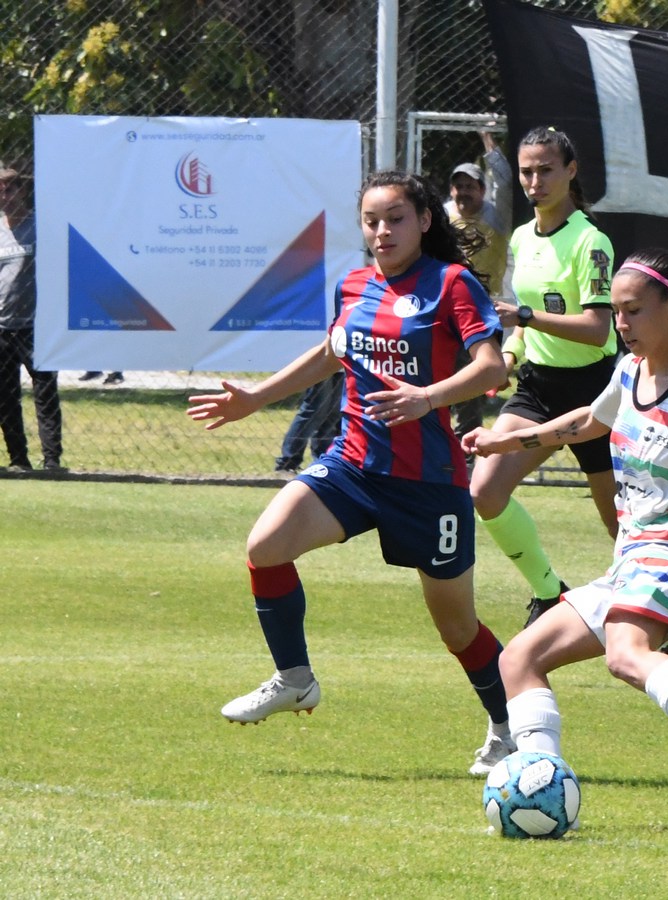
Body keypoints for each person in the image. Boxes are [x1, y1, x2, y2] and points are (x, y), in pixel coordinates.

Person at [186, 170, 517, 775]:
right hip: (353, 465)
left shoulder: (452, 284)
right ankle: (294, 677)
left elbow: (491, 369)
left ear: (424, 220)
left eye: (395, 218)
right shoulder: (355, 284)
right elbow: (330, 352)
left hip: (429, 484)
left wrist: (427, 397)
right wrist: (255, 399)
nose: (382, 230)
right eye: (371, 220)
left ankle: (507, 728)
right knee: (266, 546)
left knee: (457, 627)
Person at [464, 248, 668, 789]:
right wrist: (503, 440)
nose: (620, 324)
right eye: (616, 310)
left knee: (625, 654)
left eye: (633, 311)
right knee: (518, 658)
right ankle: (542, 780)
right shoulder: (630, 369)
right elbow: (590, 419)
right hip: (631, 554)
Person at [471, 126, 668, 648]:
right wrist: (510, 352)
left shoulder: (591, 241)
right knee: (484, 491)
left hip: (595, 394)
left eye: (545, 169)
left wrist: (524, 315)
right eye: (526, 171)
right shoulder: (523, 237)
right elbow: (524, 327)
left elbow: (598, 329)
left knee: (622, 530)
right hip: (537, 388)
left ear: (570, 171)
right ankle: (550, 592)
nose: (534, 180)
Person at [445, 131, 514, 443]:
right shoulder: (443, 216)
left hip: (485, 308)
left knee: (472, 376)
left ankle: (466, 442)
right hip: (447, 306)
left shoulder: (496, 216)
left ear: (482, 191)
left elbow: (504, 183)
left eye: (470, 187)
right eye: (458, 186)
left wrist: (490, 147)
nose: (463, 192)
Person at [0, 161, 63, 473]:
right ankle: (18, 460)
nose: (4, 196)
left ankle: (52, 461)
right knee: (5, 398)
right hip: (2, 328)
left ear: (21, 191)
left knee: (45, 393)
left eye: (9, 189)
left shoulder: (42, 227)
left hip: (37, 327)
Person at [274, 371, 342, 473]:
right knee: (315, 409)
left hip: (342, 364)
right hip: (322, 361)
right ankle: (288, 462)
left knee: (333, 413)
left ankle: (324, 462)